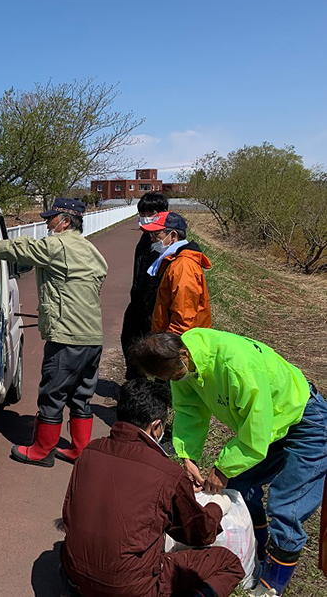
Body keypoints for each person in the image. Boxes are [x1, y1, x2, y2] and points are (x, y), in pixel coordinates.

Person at [129, 329, 327, 595]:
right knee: (241, 488)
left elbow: (256, 434)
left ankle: (270, 587)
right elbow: (190, 409)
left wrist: (222, 468)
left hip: (303, 420)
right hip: (267, 426)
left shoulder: (235, 368)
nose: (175, 380)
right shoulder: (182, 363)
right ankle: (255, 553)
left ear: (184, 355)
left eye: (175, 375)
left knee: (286, 507)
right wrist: (188, 457)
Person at [60, 378, 244, 597]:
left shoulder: (90, 452)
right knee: (228, 563)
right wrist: (218, 506)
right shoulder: (167, 473)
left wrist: (179, 490)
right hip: (130, 588)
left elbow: (71, 512)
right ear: (157, 426)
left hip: (74, 575)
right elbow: (199, 534)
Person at [0, 197, 108, 466]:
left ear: (66, 221)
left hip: (67, 335)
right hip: (92, 335)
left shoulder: (58, 245)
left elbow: (21, 250)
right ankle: (80, 449)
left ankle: (43, 450)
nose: (47, 222)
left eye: (52, 218)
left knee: (53, 393)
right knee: (81, 395)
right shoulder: (91, 250)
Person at [120, 192, 169, 379]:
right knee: (129, 340)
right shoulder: (145, 237)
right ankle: (135, 382)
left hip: (156, 306)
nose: (143, 218)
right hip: (138, 302)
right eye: (141, 213)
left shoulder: (167, 240)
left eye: (148, 213)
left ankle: (160, 391)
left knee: (158, 350)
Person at [140, 211, 212, 334]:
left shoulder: (183, 266)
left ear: (173, 235)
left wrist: (170, 348)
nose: (151, 238)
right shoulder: (172, 260)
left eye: (156, 233)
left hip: (181, 344)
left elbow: (184, 317)